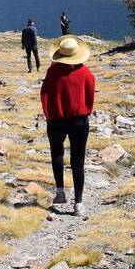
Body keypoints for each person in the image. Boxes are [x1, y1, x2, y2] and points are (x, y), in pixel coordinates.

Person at [40, 35, 95, 216]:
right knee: (78, 161)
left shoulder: (52, 72)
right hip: (79, 121)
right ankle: (78, 204)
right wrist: (84, 113)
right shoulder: (86, 73)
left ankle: (60, 192)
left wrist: (49, 115)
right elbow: (89, 98)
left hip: (56, 120)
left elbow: (45, 94)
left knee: (57, 153)